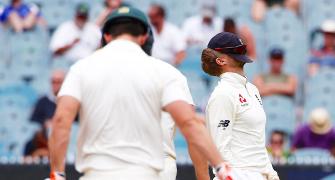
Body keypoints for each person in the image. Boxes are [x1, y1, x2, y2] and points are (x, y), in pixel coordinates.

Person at [48, 7, 230, 180]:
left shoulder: (81, 68)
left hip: (98, 172)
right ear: (144, 37)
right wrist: (220, 166)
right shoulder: (165, 73)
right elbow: (189, 123)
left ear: (106, 36)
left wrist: (58, 173)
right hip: (149, 172)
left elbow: (61, 120)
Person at [197, 32, 279, 180]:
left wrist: (271, 173)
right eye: (234, 50)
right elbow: (219, 150)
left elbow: (256, 141)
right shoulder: (223, 94)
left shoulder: (252, 89)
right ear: (221, 61)